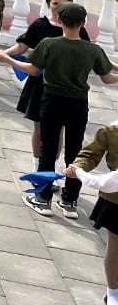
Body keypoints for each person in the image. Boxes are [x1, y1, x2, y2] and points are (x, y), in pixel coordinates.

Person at [0, 1, 117, 218]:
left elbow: (32, 70)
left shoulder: (50, 44)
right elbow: (107, 79)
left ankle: (43, 198)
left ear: (60, 20)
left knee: (48, 148)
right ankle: (70, 200)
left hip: (52, 101)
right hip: (78, 104)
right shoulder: (92, 49)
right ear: (84, 23)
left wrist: (6, 58)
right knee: (75, 151)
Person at [1, 0, 89, 161]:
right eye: (56, 4)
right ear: (49, 3)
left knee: (59, 130)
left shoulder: (78, 29)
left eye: (64, 4)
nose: (59, 8)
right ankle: (37, 165)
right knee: (39, 127)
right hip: (40, 86)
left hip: (65, 86)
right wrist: (3, 54)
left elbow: (91, 53)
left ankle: (52, 169)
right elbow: (23, 45)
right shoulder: (40, 25)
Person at [64, 123, 118, 304]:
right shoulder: (111, 132)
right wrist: (77, 167)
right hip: (116, 198)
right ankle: (113, 292)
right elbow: (90, 154)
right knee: (116, 246)